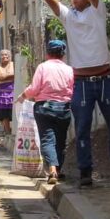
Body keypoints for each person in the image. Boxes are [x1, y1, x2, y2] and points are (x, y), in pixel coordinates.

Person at [35, 0, 110, 186]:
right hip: (82, 82)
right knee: (82, 127)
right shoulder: (69, 17)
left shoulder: (97, 10)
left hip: (105, 79)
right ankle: (85, 171)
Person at [16, 40, 74, 184]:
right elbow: (73, 90)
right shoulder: (69, 69)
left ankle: (52, 170)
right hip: (64, 109)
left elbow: (35, 88)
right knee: (61, 141)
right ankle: (58, 170)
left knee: (48, 139)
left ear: (47, 53)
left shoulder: (43, 67)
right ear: (63, 54)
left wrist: (23, 96)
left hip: (44, 108)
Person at [0, 49, 15, 135]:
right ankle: (8, 132)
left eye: (6, 54)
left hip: (12, 92)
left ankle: (14, 131)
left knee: (13, 111)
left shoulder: (13, 64)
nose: (4, 56)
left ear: (10, 56)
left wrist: (3, 77)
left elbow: (15, 75)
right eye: (2, 55)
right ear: (0, 57)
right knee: (4, 113)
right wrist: (9, 76)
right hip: (1, 94)